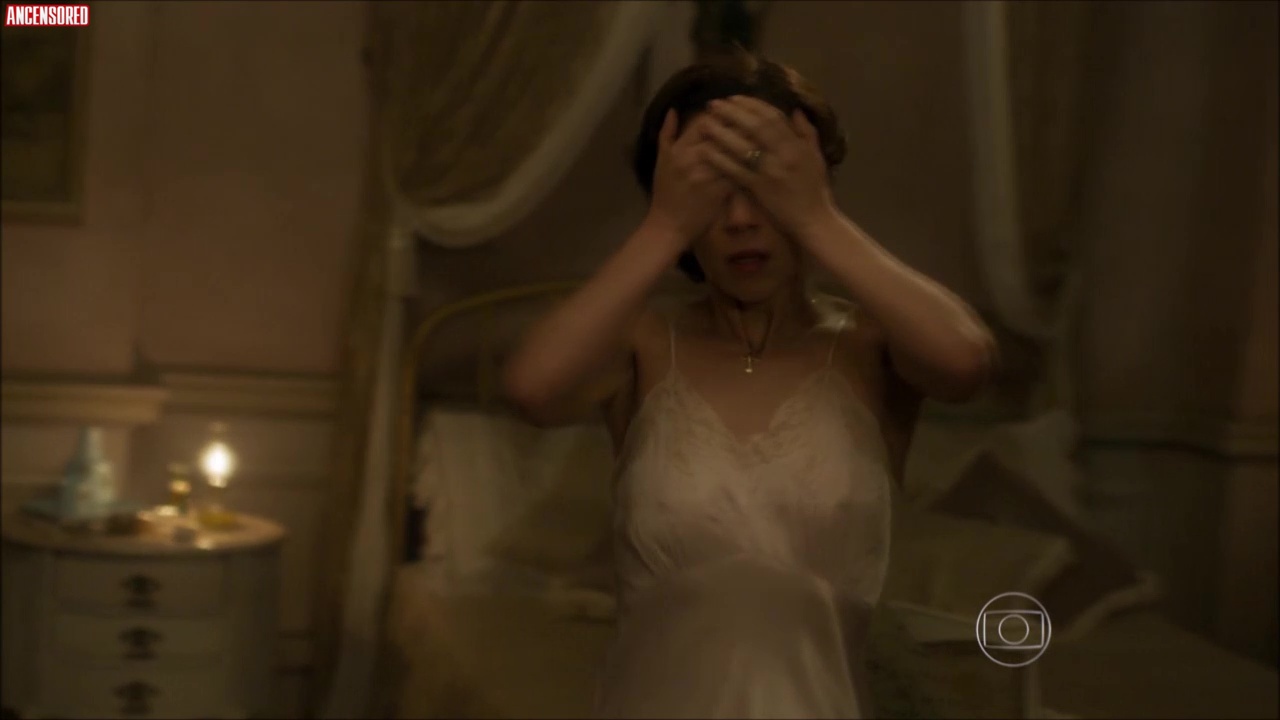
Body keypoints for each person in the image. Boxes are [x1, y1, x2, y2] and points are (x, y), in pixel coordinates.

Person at [502, 51, 997, 719]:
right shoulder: (642, 343)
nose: (739, 219)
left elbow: (966, 362)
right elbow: (531, 388)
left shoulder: (867, 345)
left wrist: (818, 219)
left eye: (762, 185)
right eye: (712, 192)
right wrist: (664, 226)